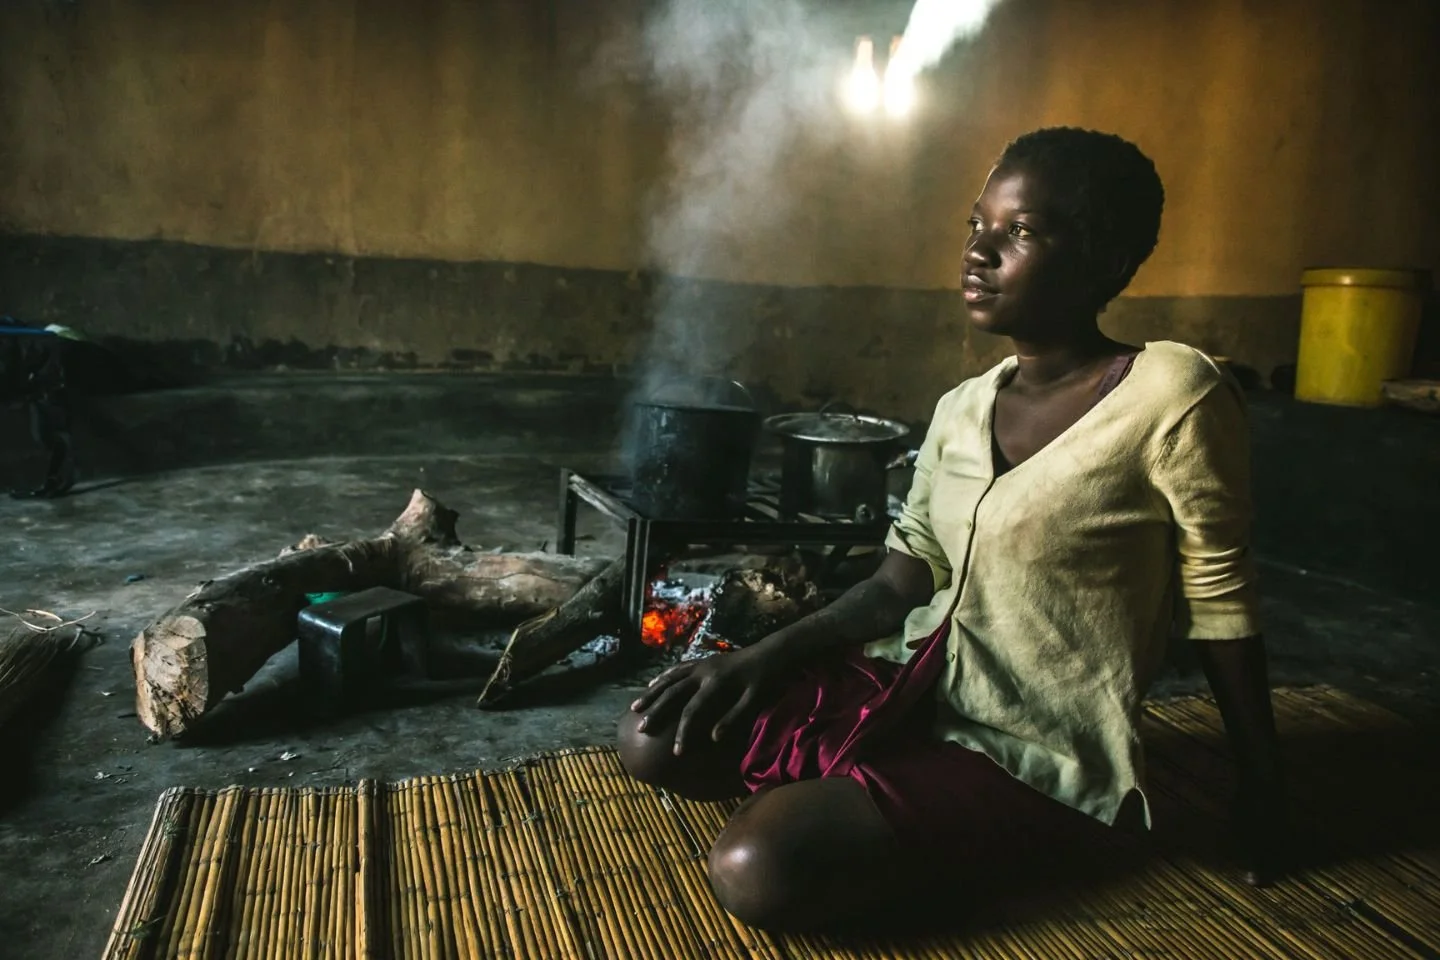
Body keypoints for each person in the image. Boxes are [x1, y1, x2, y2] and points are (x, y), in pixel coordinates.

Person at [618, 127, 1288, 933]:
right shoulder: (962, 407)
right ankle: (894, 798)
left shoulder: (1172, 392)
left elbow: (1220, 602)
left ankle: (1028, 829)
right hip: (916, 682)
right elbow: (905, 576)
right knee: (653, 736)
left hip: (1036, 743)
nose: (980, 252)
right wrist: (762, 658)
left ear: (1108, 260)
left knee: (755, 869)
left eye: (1022, 232)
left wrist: (1261, 790)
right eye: (977, 226)